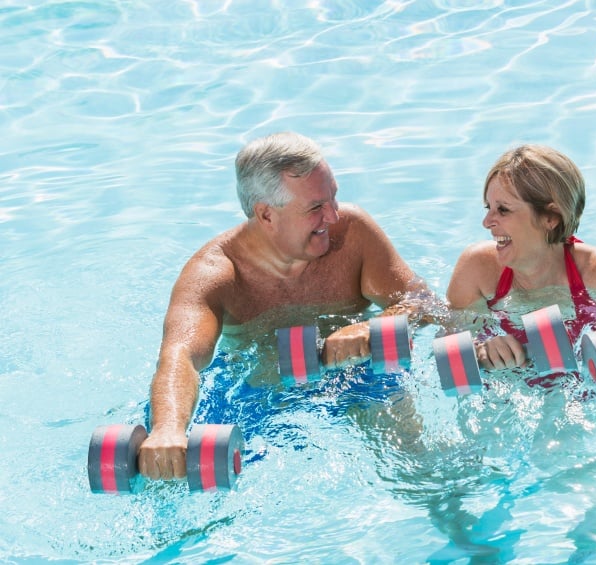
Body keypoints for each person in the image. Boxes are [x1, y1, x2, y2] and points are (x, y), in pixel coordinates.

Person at [138, 132, 430, 481]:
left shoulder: (354, 235)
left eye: (333, 198)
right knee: (175, 474)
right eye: (315, 208)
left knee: (418, 469)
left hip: (360, 377)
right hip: (261, 397)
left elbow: (423, 303)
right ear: (265, 215)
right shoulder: (216, 273)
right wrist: (167, 429)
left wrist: (369, 328)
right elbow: (180, 355)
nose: (334, 216)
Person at [446, 143, 596, 372]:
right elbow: (448, 346)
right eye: (488, 207)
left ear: (551, 217)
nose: (487, 222)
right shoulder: (477, 270)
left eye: (503, 210)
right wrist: (479, 353)